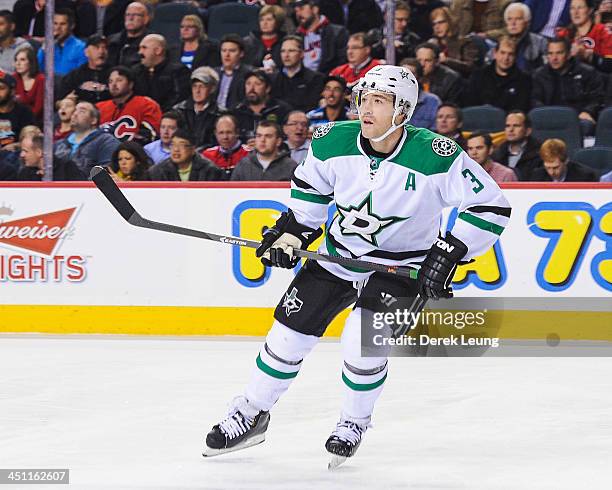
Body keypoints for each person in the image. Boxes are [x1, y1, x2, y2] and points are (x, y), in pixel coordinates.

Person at [203, 64, 510, 464]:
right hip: (339, 255)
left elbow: (491, 205)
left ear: (402, 111)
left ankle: (353, 421)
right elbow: (310, 194)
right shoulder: (332, 141)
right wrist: (292, 232)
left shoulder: (437, 155)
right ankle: (251, 411)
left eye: (378, 101)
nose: (366, 109)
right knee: (286, 335)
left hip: (401, 268)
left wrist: (448, 252)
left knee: (360, 344)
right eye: (364, 99)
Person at [531, 37, 605, 136]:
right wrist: (545, 114)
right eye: (550, 53)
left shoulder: (587, 72)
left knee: (586, 125)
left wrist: (588, 111)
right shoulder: (539, 75)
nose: (554, 58)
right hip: (548, 117)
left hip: (577, 118)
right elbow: (535, 99)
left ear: (569, 54)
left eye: (559, 53)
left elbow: (597, 97)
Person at [96, 65, 162, 144]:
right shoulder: (99, 107)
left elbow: (152, 134)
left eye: (119, 80)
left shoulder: (146, 104)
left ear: (130, 84)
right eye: (110, 81)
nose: (114, 84)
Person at [464, 36, 531, 112]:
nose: (506, 58)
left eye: (510, 54)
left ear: (515, 57)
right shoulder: (478, 76)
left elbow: (520, 109)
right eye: (502, 53)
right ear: (495, 54)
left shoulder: (524, 80)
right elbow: (470, 106)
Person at [54, 101, 120, 174]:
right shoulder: (59, 145)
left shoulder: (107, 142)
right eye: (75, 110)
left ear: (93, 120)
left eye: (82, 111)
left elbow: (106, 175)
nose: (75, 114)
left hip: (89, 185)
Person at [230, 69, 292, 145]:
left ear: (267, 88)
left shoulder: (281, 109)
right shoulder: (237, 111)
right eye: (248, 84)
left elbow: (288, 137)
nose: (251, 88)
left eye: (257, 84)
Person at [133, 34, 190, 112]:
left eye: (144, 48)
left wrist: (156, 111)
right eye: (139, 48)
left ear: (158, 50)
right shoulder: (136, 71)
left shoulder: (179, 71)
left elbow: (179, 99)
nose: (139, 52)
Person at [271, 35, 325, 112]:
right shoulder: (273, 79)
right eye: (283, 51)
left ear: (302, 54)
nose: (286, 55)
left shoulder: (315, 78)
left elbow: (312, 107)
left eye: (291, 51)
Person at [294, 0, 349, 74]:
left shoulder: (337, 33)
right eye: (296, 11)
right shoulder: (296, 36)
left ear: (315, 9)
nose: (298, 14)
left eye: (301, 9)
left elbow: (342, 61)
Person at [230, 120, 296, 181]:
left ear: (278, 141)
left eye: (268, 136)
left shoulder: (290, 166)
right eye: (259, 136)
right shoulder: (243, 165)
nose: (262, 140)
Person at [148, 129, 224, 181]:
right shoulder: (157, 171)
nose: (176, 149)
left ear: (193, 149)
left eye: (181, 145)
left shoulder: (210, 171)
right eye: (173, 145)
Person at [172, 66, 220, 150]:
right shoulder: (179, 111)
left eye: (202, 86)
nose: (197, 91)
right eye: (194, 86)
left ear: (212, 88)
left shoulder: (220, 115)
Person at [58, 34, 112, 104]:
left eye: (105, 48)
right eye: (96, 47)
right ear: (86, 52)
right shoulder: (74, 75)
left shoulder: (115, 74)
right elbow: (59, 102)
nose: (101, 52)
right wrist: (66, 101)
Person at [427, 6, 482, 76]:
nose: (437, 27)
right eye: (434, 24)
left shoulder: (465, 42)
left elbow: (471, 67)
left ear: (450, 22)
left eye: (441, 22)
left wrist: (447, 61)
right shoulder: (431, 44)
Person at [556, 0, 612, 67]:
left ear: (590, 10)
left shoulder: (603, 32)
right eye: (572, 8)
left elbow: (610, 64)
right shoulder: (564, 34)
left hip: (595, 75)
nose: (575, 12)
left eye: (580, 7)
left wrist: (588, 56)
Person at [497, 2, 548, 72]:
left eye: (518, 19)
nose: (513, 23)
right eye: (509, 19)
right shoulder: (500, 42)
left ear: (527, 22)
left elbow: (547, 68)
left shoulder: (540, 42)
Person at [491, 111, 542, 181]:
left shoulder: (539, 153)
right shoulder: (497, 153)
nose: (511, 130)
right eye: (508, 126)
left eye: (516, 126)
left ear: (528, 131)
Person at [37, 9, 87, 77]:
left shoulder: (81, 48)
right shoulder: (47, 47)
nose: (58, 28)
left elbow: (81, 75)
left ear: (72, 26)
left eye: (62, 24)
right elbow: (36, 70)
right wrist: (43, 49)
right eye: (55, 23)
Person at [17, 134, 85, 181]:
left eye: (25, 151)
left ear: (39, 152)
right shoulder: (25, 173)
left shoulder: (67, 167)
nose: (21, 155)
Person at [201, 114, 250, 179]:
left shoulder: (249, 154)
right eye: (221, 133)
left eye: (229, 132)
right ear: (215, 133)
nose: (225, 137)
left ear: (237, 132)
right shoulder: (207, 156)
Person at [214, 34, 253, 111]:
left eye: (232, 51)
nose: (227, 55)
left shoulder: (249, 74)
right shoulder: (213, 73)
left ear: (241, 53)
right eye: (224, 50)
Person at [400, 57, 440, 130]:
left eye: (411, 74)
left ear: (420, 78)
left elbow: (436, 130)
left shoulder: (433, 101)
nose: (406, 78)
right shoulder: (388, 99)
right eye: (403, 74)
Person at [530, 138, 597, 182]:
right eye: (548, 168)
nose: (551, 172)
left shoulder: (585, 177)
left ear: (566, 161)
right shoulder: (537, 176)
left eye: (555, 167)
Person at [107, 2, 151, 67]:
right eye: (128, 14)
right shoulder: (112, 41)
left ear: (146, 19)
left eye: (136, 15)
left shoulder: (151, 42)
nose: (130, 18)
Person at [243, 5, 286, 70]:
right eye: (262, 20)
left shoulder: (286, 42)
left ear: (278, 22)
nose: (264, 23)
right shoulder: (247, 42)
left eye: (269, 19)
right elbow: (242, 66)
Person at [0, 71, 34, 150]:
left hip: (14, 157)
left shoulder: (24, 112)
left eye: (1, 88)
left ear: (12, 92)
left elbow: (33, 138)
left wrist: (16, 145)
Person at [13, 45, 44, 121]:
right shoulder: (13, 78)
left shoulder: (41, 80)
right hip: (15, 118)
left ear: (31, 62)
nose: (18, 63)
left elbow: (38, 108)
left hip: (35, 120)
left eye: (22, 60)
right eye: (16, 60)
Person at [318, 0, 384, 34]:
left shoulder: (369, 4)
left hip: (360, 48)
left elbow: (376, 29)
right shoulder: (324, 4)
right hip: (332, 50)